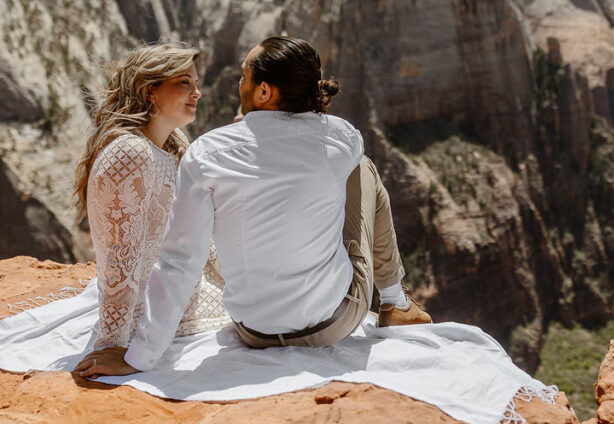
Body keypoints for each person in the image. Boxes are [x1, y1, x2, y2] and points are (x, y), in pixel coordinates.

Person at [77, 36, 431, 378]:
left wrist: (140, 357)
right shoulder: (344, 138)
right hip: (333, 324)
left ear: (264, 91)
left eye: (244, 76)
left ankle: (393, 303)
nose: (237, 84)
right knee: (362, 167)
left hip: (253, 331)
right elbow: (294, 145)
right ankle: (395, 303)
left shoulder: (206, 153)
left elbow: (181, 260)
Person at [71, 44, 231, 376]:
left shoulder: (175, 143)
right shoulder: (129, 154)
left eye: (196, 83)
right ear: (150, 91)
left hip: (186, 279)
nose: (198, 93)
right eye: (185, 82)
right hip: (156, 302)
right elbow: (120, 258)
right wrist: (116, 344)